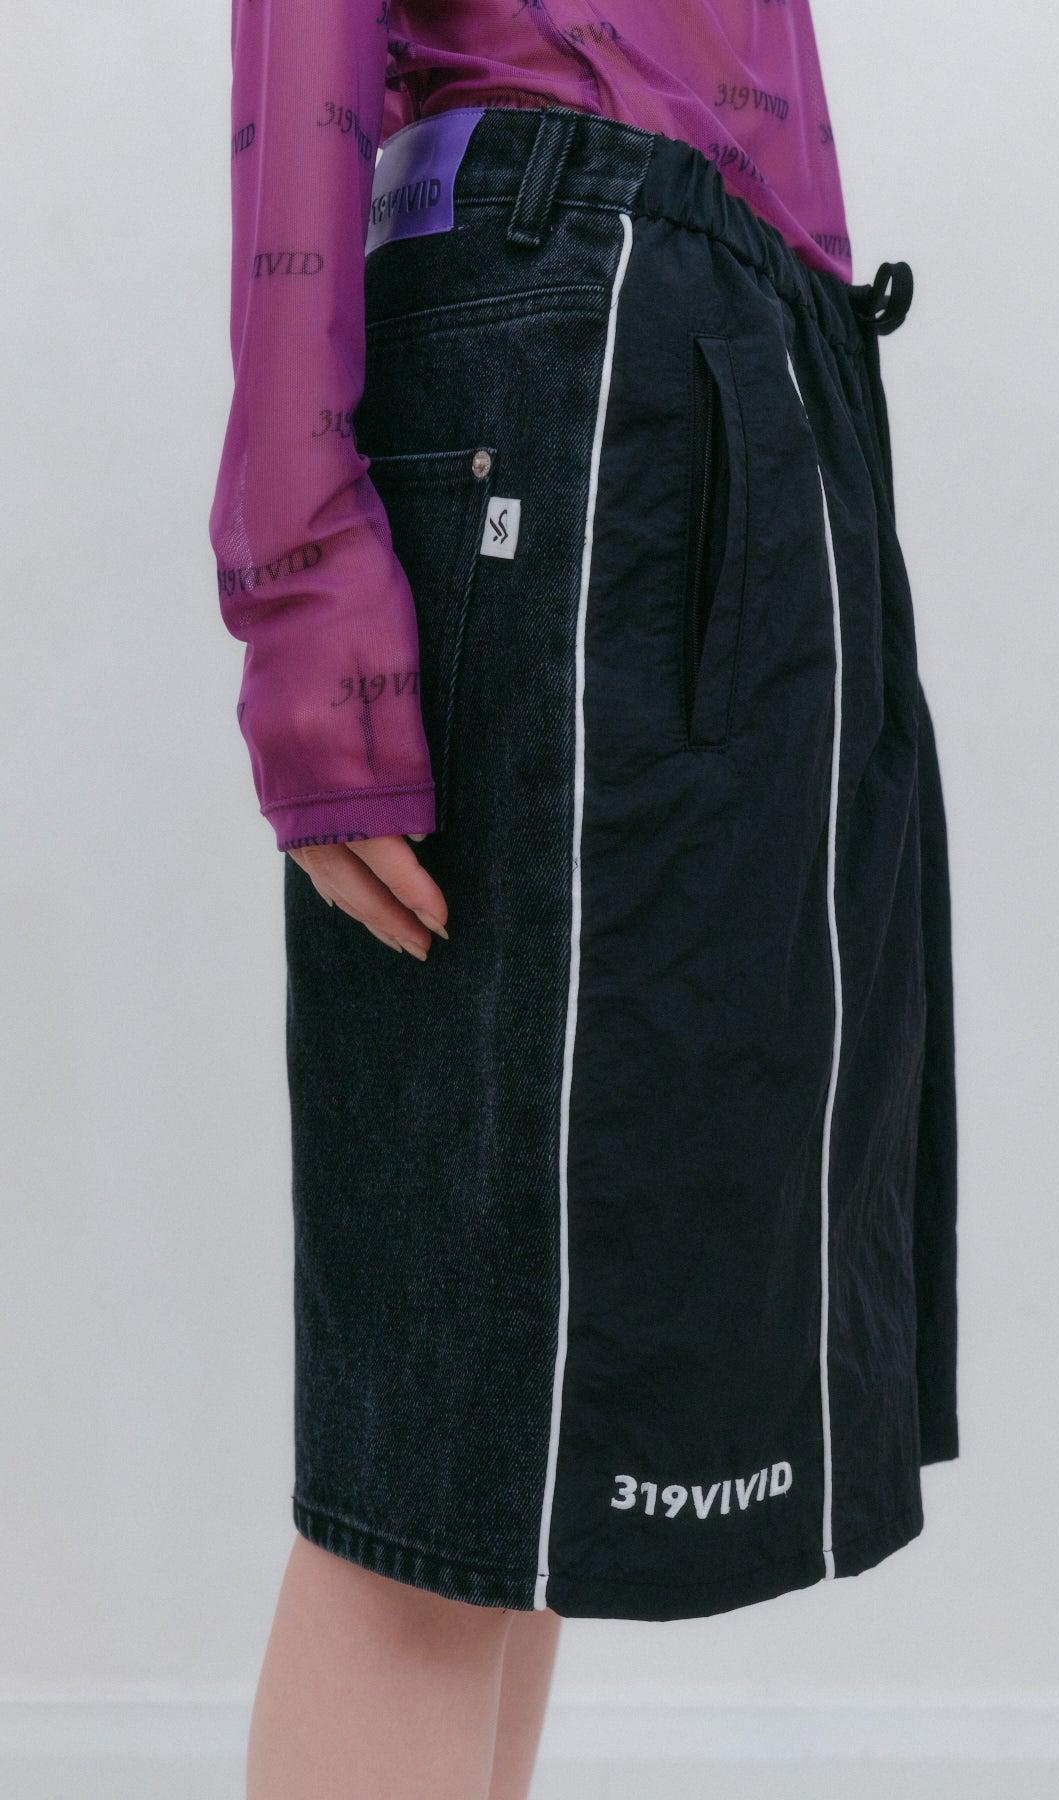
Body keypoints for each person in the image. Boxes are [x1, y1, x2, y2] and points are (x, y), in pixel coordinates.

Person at [208, 2, 960, 1794]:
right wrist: (301, 574)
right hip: (584, 324)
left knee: (527, 1465)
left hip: (749, 357)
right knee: (449, 1441)